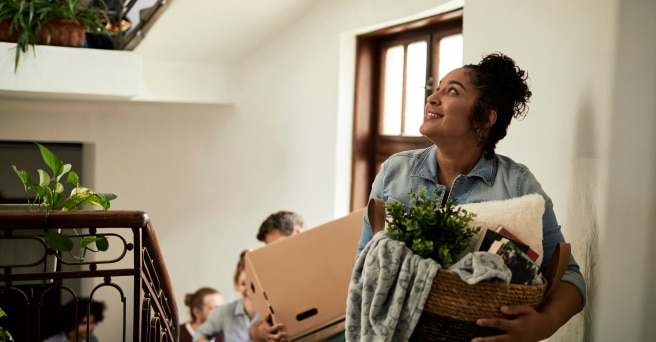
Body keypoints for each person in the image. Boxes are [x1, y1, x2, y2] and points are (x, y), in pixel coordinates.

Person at [355, 52, 586, 341]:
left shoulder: (517, 184)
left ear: (485, 118)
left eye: (451, 91)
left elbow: (570, 276)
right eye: (437, 88)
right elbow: (364, 262)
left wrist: (543, 324)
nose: (432, 97)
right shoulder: (394, 172)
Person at [194, 249, 259, 342]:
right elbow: (200, 334)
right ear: (236, 285)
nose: (249, 290)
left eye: (253, 284)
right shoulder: (226, 311)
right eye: (244, 284)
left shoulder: (273, 312)